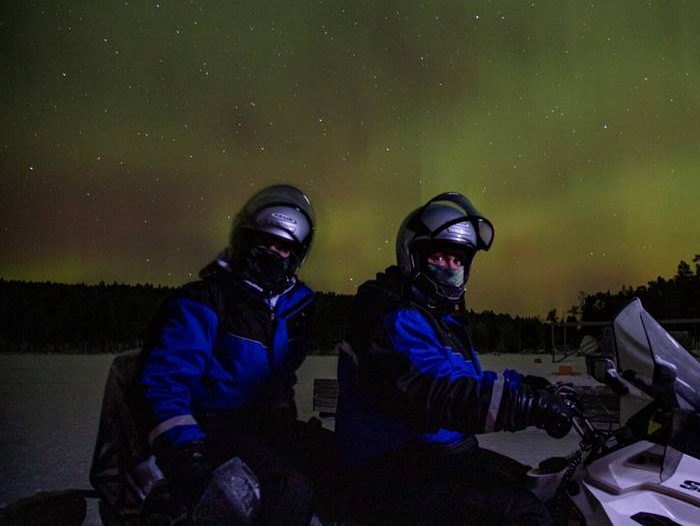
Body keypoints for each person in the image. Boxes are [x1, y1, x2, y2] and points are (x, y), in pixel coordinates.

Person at [336, 191, 576, 525]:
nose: (450, 267)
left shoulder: (440, 320)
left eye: (458, 260)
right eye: (440, 257)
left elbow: (462, 379)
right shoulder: (390, 313)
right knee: (526, 516)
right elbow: (430, 392)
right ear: (413, 257)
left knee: (550, 492)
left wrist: (532, 386)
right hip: (394, 464)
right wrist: (521, 405)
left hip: (444, 456)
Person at [137, 184, 325, 525]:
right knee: (288, 489)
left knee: (344, 464)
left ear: (295, 255)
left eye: (282, 247)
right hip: (211, 430)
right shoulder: (204, 301)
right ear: (243, 240)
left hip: (266, 430)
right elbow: (164, 381)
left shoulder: (292, 311)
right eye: (263, 241)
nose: (271, 252)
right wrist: (185, 450)